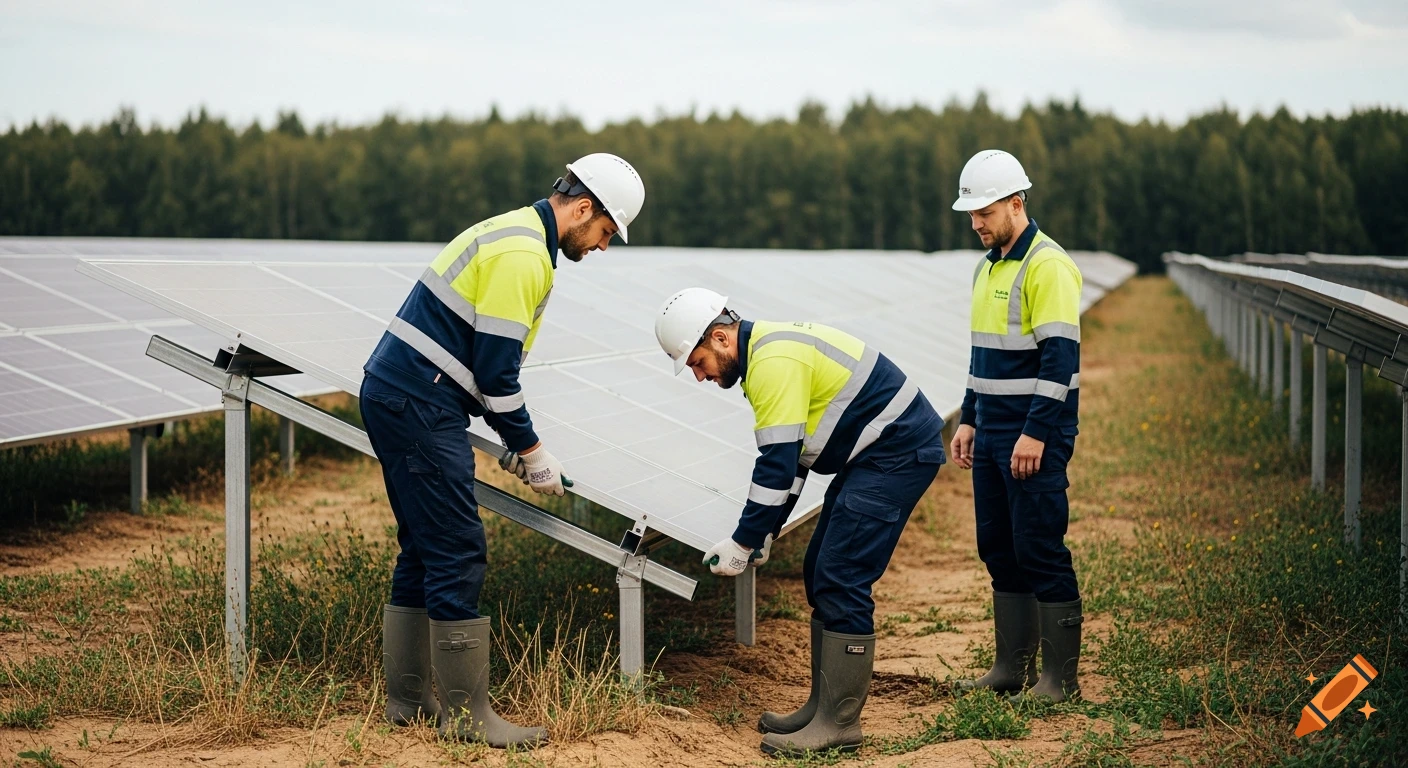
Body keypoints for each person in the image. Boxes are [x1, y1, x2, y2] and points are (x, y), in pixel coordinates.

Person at [359, 154, 645, 747]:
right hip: (419, 403)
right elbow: (495, 372)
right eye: (606, 232)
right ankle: (467, 719)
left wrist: (514, 442)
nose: (603, 246)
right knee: (458, 548)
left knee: (424, 547)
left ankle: (408, 700)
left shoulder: (518, 236)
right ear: (583, 208)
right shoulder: (523, 254)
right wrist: (532, 451)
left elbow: (482, 368)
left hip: (408, 396)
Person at [654, 289, 946, 757]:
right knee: (819, 571)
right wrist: (764, 534)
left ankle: (840, 723)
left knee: (842, 575)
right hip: (875, 454)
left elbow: (775, 464)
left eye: (697, 361)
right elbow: (794, 464)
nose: (699, 375)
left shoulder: (772, 362)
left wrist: (743, 540)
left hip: (897, 452)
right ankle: (822, 706)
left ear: (721, 337)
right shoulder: (763, 356)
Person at [948, 149, 1084, 703]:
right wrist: (968, 418)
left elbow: (1059, 361)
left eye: (984, 211)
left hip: (1034, 435)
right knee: (998, 547)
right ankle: (1012, 667)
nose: (976, 223)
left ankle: (1060, 681)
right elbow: (983, 356)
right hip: (994, 433)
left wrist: (1036, 432)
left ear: (1016, 203)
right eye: (971, 213)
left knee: (1039, 547)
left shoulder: (1046, 266)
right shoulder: (987, 269)